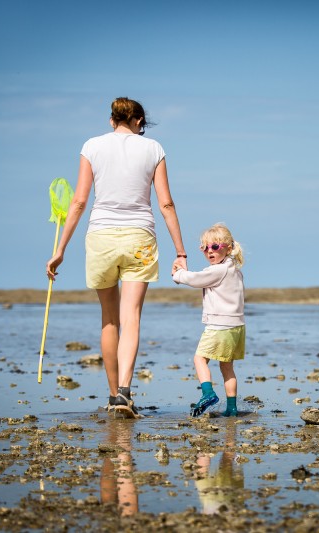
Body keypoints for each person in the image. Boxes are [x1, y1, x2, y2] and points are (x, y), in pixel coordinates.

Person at [46, 97, 187, 416]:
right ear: (138, 122)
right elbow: (166, 204)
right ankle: (125, 391)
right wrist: (180, 251)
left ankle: (113, 396)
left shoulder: (92, 146)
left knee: (109, 320)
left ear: (112, 121)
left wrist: (60, 250)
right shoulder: (153, 148)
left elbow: (80, 201)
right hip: (140, 237)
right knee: (131, 317)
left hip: (101, 237)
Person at [172, 223, 245, 417]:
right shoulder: (236, 271)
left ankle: (208, 393)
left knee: (199, 358)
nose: (209, 252)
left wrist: (178, 274)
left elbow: (195, 279)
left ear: (228, 248)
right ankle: (232, 408)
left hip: (219, 326)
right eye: (205, 248)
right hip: (237, 327)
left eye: (215, 247)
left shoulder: (218, 271)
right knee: (227, 367)